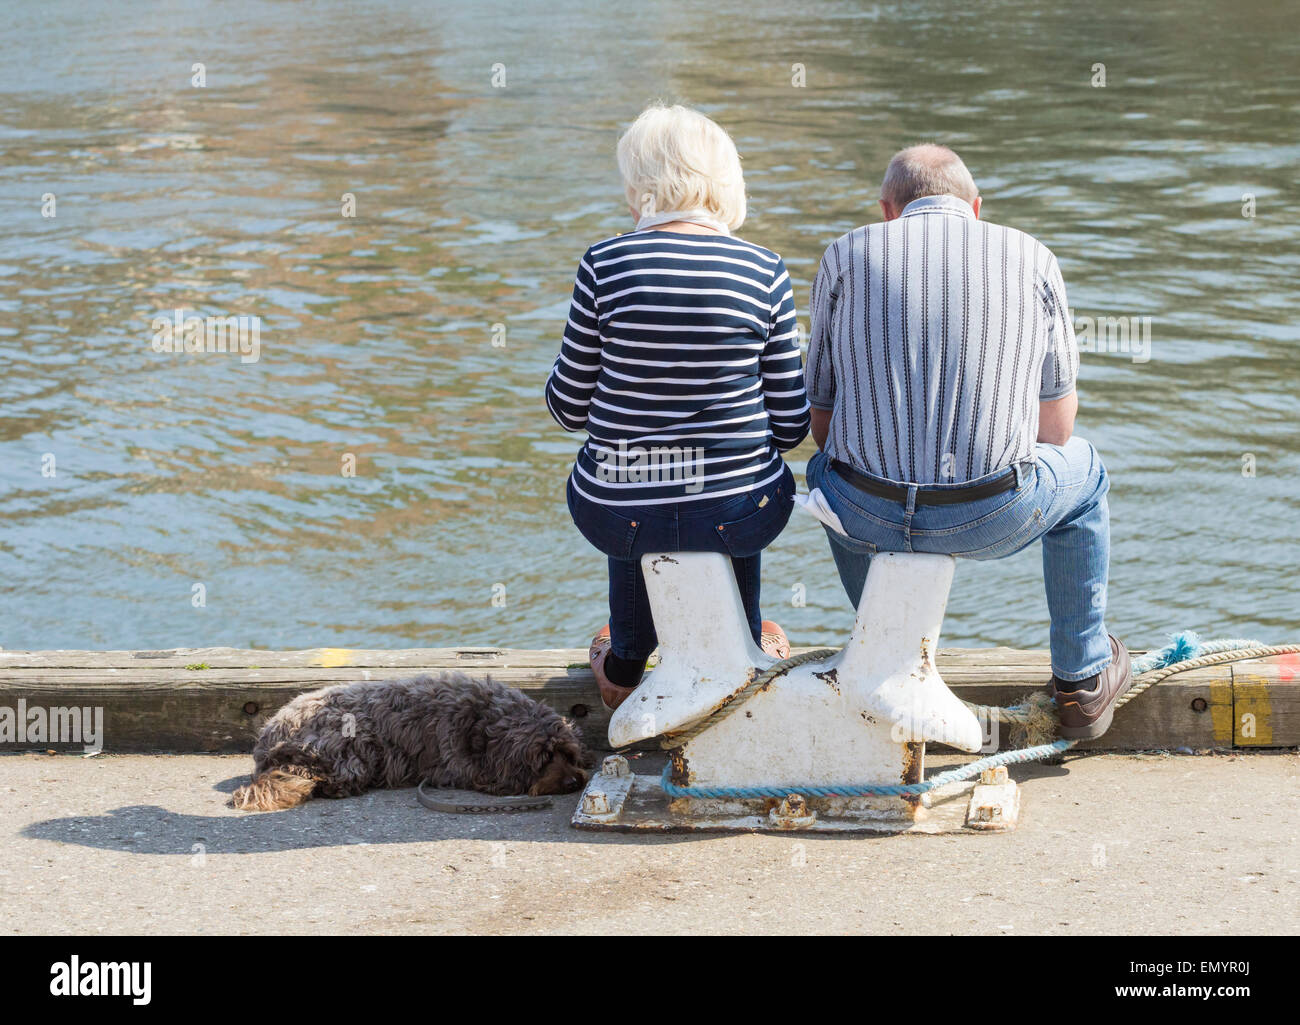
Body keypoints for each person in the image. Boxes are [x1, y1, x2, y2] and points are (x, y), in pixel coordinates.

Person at [804, 144, 1131, 739]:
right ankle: (1081, 680)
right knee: (1086, 475)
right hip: (991, 514)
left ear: (887, 209)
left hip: (866, 513)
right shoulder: (1032, 256)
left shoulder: (845, 254)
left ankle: (890, 652)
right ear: (976, 207)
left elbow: (820, 424)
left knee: (825, 473)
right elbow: (1056, 432)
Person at [545, 103, 810, 712]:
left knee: (632, 489)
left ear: (639, 184)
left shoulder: (602, 264)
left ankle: (625, 661)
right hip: (736, 514)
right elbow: (792, 425)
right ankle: (744, 645)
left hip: (618, 512)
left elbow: (568, 408)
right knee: (736, 487)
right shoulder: (764, 270)